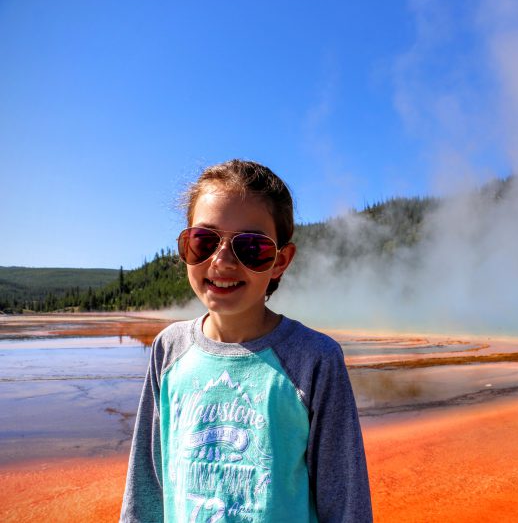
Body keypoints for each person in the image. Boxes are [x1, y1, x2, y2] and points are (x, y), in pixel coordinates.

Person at [120, 159, 372, 522]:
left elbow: (346, 502)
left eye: (250, 247)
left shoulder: (314, 359)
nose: (221, 261)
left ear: (280, 261)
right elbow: (146, 483)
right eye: (203, 241)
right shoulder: (169, 349)